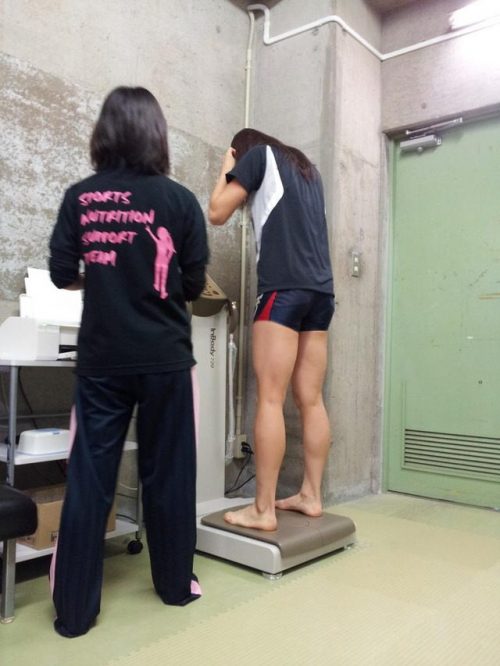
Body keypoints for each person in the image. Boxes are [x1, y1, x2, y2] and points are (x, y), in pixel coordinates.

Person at [48, 86, 208, 637]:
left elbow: (61, 273)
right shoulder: (181, 201)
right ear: (157, 135)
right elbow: (193, 284)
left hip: (102, 358)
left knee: (90, 478)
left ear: (104, 133)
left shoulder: (80, 197)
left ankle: (73, 613)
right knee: (169, 474)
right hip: (166, 357)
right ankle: (175, 587)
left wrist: (104, 278)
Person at [209, 128, 334, 532]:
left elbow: (217, 212)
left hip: (282, 289)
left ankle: (263, 509)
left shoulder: (258, 156)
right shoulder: (308, 171)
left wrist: (227, 167)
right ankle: (311, 495)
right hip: (320, 294)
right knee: (310, 400)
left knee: (270, 398)